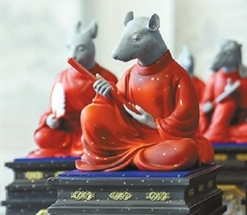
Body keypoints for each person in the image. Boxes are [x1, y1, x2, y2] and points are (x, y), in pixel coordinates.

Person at [76, 12, 213, 172]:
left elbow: (187, 117)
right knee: (89, 113)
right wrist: (107, 94)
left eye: (136, 39)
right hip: (130, 139)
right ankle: (135, 158)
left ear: (154, 27)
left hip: (163, 139)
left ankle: (125, 159)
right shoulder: (129, 75)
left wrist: (154, 123)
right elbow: (119, 104)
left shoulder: (178, 76)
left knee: (185, 150)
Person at [29, 20, 117, 158]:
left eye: (81, 49)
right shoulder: (61, 77)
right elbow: (52, 109)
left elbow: (117, 113)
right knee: (42, 136)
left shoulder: (106, 77)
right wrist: (51, 120)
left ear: (91, 50)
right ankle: (75, 147)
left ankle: (86, 146)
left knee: (101, 139)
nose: (73, 54)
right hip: (68, 131)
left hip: (93, 132)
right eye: (69, 49)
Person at [199, 40, 247, 143]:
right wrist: (206, 106)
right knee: (227, 105)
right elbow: (205, 102)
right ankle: (217, 132)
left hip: (241, 125)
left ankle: (222, 134)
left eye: (229, 53)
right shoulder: (214, 78)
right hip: (219, 120)